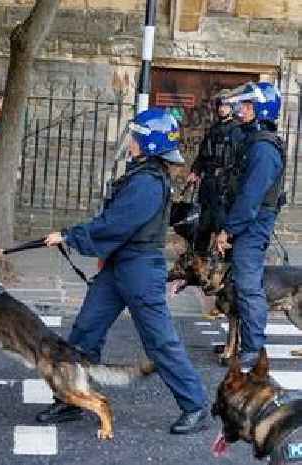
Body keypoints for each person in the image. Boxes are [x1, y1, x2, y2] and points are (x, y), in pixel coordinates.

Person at [43, 109, 210, 435]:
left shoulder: (147, 182)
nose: (130, 141)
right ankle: (72, 398)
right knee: (86, 332)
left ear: (148, 142)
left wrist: (70, 235)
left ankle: (196, 405)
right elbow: (115, 226)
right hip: (120, 265)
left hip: (140, 270)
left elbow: (115, 224)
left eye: (135, 135)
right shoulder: (142, 174)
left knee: (160, 342)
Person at [214, 82, 284, 370]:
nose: (239, 110)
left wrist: (228, 230)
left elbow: (251, 197)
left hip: (253, 224)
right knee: (240, 283)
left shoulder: (265, 149)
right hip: (247, 220)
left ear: (260, 109)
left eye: (246, 106)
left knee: (247, 285)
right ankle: (241, 343)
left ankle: (253, 350)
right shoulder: (252, 140)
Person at [186, 89, 242, 253]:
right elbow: (203, 155)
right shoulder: (213, 129)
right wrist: (195, 171)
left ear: (232, 107)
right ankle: (198, 266)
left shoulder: (237, 131)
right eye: (220, 104)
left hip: (224, 189)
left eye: (225, 104)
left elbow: (238, 162)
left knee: (222, 230)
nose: (221, 108)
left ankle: (224, 271)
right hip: (208, 187)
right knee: (202, 230)